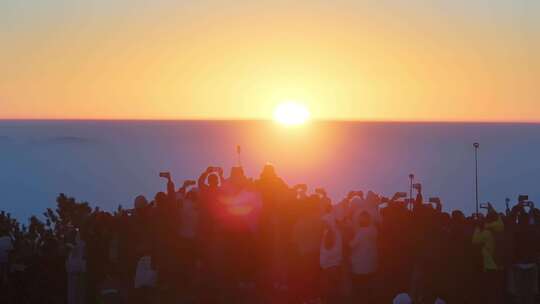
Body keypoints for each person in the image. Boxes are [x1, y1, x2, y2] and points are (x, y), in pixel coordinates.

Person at [349, 211, 378, 303]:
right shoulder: (374, 231)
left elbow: (352, 245)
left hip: (360, 267)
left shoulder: (360, 233)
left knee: (360, 290)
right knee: (369, 289)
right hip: (371, 264)